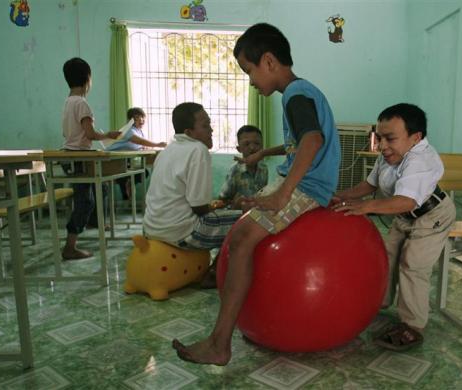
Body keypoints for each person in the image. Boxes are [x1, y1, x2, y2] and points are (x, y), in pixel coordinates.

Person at [172, 22, 340, 365]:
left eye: (249, 71)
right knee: (242, 223)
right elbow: (300, 140)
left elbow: (313, 140)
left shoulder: (296, 94)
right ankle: (220, 338)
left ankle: (220, 344)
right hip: (304, 181)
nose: (250, 80)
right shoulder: (301, 92)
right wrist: (264, 153)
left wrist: (282, 195)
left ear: (268, 61)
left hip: (308, 186)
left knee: (241, 239)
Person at [333, 103, 456, 351]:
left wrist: (366, 207)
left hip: (432, 216)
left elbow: (407, 200)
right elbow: (369, 185)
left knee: (412, 264)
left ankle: (413, 325)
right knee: (386, 256)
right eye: (379, 138)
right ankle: (380, 301)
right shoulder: (388, 156)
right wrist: (339, 196)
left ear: (416, 137)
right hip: (404, 216)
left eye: (390, 138)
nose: (382, 146)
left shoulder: (421, 158)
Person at [142, 102, 242, 285]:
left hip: (151, 229)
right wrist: (226, 209)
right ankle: (213, 274)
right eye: (205, 126)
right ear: (188, 132)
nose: (211, 130)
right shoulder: (198, 149)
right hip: (179, 233)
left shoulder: (166, 151)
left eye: (210, 124)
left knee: (228, 215)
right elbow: (199, 206)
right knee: (246, 221)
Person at [60, 57, 121, 260]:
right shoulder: (82, 104)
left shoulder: (68, 102)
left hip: (68, 154)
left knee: (100, 188)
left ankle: (95, 221)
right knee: (84, 201)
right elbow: (91, 134)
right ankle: (70, 246)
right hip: (80, 157)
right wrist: (109, 135)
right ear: (88, 79)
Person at [106, 107, 167, 201]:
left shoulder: (140, 131)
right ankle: (125, 182)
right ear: (130, 120)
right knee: (137, 173)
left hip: (125, 160)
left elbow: (139, 144)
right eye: (136, 117)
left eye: (142, 117)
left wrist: (144, 147)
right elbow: (139, 141)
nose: (141, 120)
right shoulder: (129, 129)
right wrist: (157, 144)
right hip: (111, 159)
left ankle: (126, 182)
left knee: (144, 172)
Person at [218, 125, 268, 209]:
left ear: (262, 147)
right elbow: (222, 199)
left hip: (257, 214)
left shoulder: (264, 168)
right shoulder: (235, 170)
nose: (252, 148)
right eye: (246, 144)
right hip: (238, 215)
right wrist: (234, 205)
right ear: (239, 148)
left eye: (257, 143)